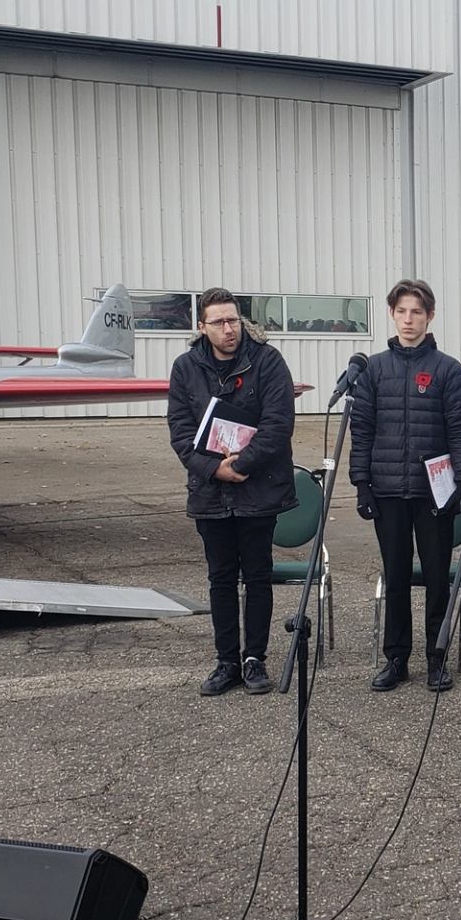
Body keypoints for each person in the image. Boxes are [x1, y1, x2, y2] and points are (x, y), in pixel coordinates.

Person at [167, 288, 299, 697]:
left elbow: (279, 425)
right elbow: (180, 431)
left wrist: (240, 465)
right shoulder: (186, 368)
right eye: (220, 322)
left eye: (234, 320)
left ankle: (254, 658)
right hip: (211, 494)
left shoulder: (268, 361)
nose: (229, 329)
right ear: (202, 327)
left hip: (258, 490)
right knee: (220, 579)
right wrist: (214, 469)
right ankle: (226, 661)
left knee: (257, 576)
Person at [350, 279, 461, 693]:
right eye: (401, 311)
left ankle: (437, 659)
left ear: (430, 316)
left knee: (438, 577)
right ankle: (396, 658)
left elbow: (460, 430)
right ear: (392, 314)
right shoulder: (373, 369)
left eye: (416, 312)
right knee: (396, 575)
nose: (408, 319)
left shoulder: (448, 369)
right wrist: (361, 482)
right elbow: (362, 429)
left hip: (433, 493)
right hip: (387, 490)